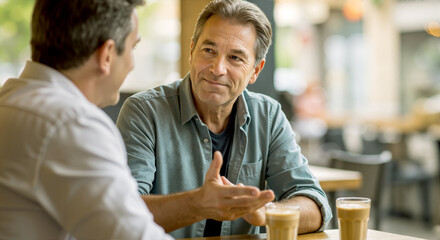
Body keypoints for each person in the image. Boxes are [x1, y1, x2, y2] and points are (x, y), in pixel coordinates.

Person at [117, 0, 332, 238]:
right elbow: (122, 212)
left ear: (256, 71)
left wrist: (266, 212)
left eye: (235, 58)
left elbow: (315, 205)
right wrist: (198, 203)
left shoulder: (268, 116)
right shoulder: (144, 112)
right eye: (209, 51)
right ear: (191, 52)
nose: (218, 68)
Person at [0, 0, 172, 239]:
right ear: (107, 55)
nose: (132, 63)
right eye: (133, 47)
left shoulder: (11, 101)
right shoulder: (71, 124)